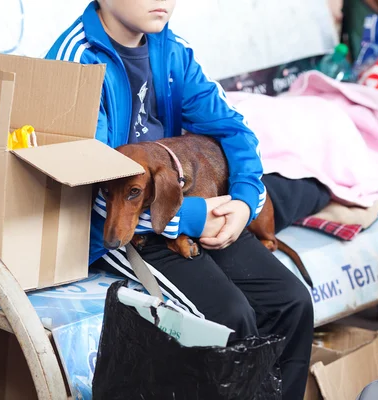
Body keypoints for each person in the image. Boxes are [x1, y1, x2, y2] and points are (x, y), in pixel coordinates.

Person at [46, 1, 330, 398]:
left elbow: (233, 129)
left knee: (292, 303)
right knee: (230, 317)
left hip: (179, 203)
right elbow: (83, 188)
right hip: (120, 226)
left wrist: (245, 202)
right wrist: (192, 217)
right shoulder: (76, 63)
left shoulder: (171, 49)